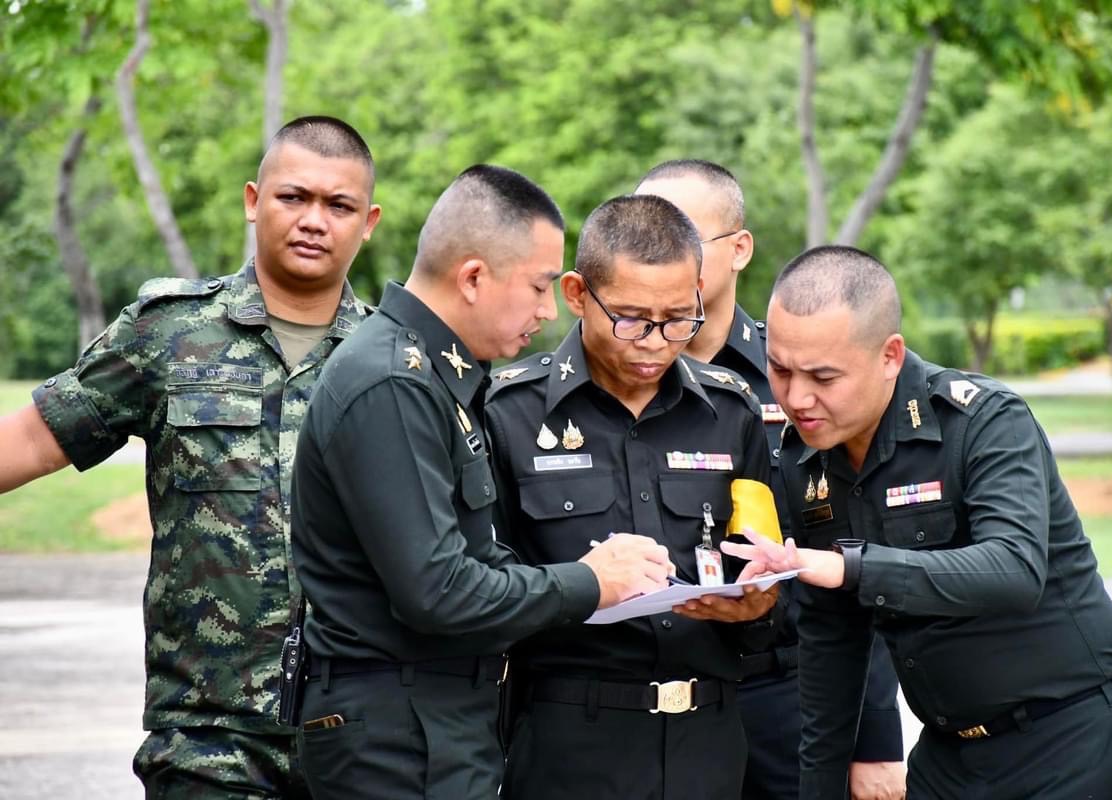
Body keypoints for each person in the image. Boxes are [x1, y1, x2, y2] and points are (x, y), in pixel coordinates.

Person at [0, 115, 382, 797]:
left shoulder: (392, 360)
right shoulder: (168, 334)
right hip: (208, 744)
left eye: (339, 204)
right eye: (294, 197)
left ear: (369, 221)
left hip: (363, 739)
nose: (314, 220)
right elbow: (32, 439)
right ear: (252, 201)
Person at [288, 166, 673, 800]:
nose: (549, 311)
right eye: (540, 287)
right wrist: (591, 581)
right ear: (473, 277)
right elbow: (438, 591)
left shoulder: (442, 377)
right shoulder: (394, 383)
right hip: (400, 735)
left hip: (432, 722)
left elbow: (475, 557)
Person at [723, 245, 1112, 799]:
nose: (796, 397)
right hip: (949, 758)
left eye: (824, 377)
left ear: (889, 355)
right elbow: (832, 642)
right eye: (780, 369)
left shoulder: (985, 421)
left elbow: (1014, 569)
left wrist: (853, 568)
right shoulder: (804, 460)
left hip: (1074, 741)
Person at [485, 193, 776, 800]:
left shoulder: (732, 414)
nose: (655, 340)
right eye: (632, 318)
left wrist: (758, 609)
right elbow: (483, 587)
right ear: (576, 294)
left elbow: (771, 574)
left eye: (677, 318)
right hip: (569, 742)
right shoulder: (507, 413)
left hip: (709, 743)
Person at [635, 160, 906, 800]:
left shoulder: (802, 377)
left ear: (739, 250)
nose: (660, 256)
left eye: (682, 237)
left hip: (791, 694)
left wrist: (875, 740)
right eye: (646, 235)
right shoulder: (598, 386)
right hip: (645, 704)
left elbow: (863, 557)